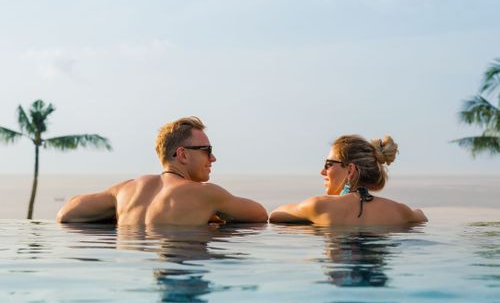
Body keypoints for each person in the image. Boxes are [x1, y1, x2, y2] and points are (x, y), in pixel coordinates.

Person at [57, 116, 268, 226]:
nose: (213, 158)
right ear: (183, 155)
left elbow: (66, 213)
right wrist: (212, 212)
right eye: (207, 151)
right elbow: (261, 215)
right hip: (183, 267)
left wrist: (116, 213)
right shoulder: (206, 194)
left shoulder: (125, 190)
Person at [270, 134, 427, 226]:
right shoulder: (399, 211)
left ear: (350, 170)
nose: (322, 171)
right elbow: (421, 216)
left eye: (329, 164)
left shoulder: (320, 206)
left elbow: (274, 215)